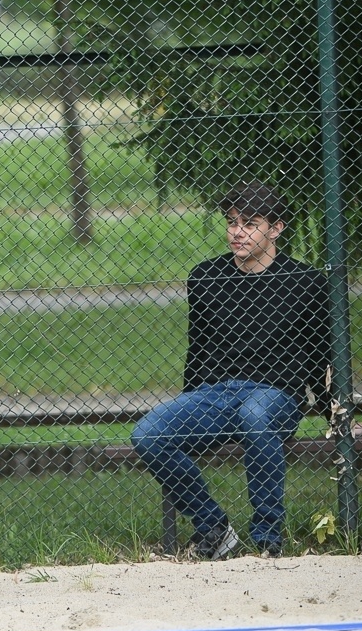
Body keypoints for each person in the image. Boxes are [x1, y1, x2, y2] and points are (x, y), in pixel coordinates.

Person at [131, 182, 331, 560]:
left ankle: (268, 539)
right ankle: (213, 527)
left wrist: (336, 413)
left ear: (276, 229)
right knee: (148, 433)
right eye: (231, 222)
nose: (236, 232)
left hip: (276, 396)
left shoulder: (305, 282)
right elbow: (199, 348)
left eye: (250, 223)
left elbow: (322, 354)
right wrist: (190, 400)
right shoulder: (206, 277)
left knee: (255, 415)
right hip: (217, 395)